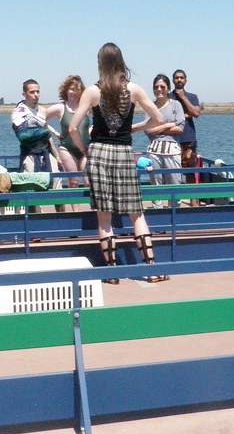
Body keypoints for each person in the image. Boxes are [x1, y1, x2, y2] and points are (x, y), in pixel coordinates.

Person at [70, 43, 167, 283]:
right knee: (137, 214)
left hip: (99, 152)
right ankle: (152, 268)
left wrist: (84, 149)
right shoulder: (134, 90)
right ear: (121, 61)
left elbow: (73, 127)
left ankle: (112, 273)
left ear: (100, 63)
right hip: (124, 151)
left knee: (104, 216)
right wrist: (135, 128)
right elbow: (158, 119)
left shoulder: (92, 91)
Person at [135, 74, 185, 201]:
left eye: (162, 86)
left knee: (174, 183)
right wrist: (169, 125)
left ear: (167, 88)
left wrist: (158, 128)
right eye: (156, 87)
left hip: (172, 150)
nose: (159, 89)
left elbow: (180, 128)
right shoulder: (150, 107)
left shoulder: (176, 105)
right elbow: (148, 130)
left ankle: (174, 212)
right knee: (156, 185)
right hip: (154, 151)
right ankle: (157, 210)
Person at [46, 75, 91, 200]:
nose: (74, 93)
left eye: (77, 90)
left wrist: (92, 129)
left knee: (89, 182)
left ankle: (92, 212)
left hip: (86, 150)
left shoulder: (86, 107)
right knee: (73, 182)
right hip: (67, 149)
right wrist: (54, 132)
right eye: (71, 89)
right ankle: (74, 212)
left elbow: (102, 117)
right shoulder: (60, 108)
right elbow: (39, 117)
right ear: (66, 90)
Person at [11, 79, 56, 173]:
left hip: (46, 152)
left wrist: (57, 156)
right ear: (24, 94)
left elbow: (47, 133)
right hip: (29, 154)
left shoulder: (43, 110)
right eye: (32, 92)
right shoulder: (18, 112)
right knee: (32, 183)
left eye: (37, 91)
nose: (36, 95)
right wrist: (44, 133)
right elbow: (23, 136)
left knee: (55, 180)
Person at [171, 69, 202, 203]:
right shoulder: (168, 97)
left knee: (190, 174)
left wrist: (183, 97)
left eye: (181, 78)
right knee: (172, 174)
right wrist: (184, 116)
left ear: (185, 80)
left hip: (188, 140)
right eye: (177, 78)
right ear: (173, 80)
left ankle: (194, 203)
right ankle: (173, 204)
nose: (179, 80)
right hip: (172, 140)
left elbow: (195, 113)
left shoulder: (192, 97)